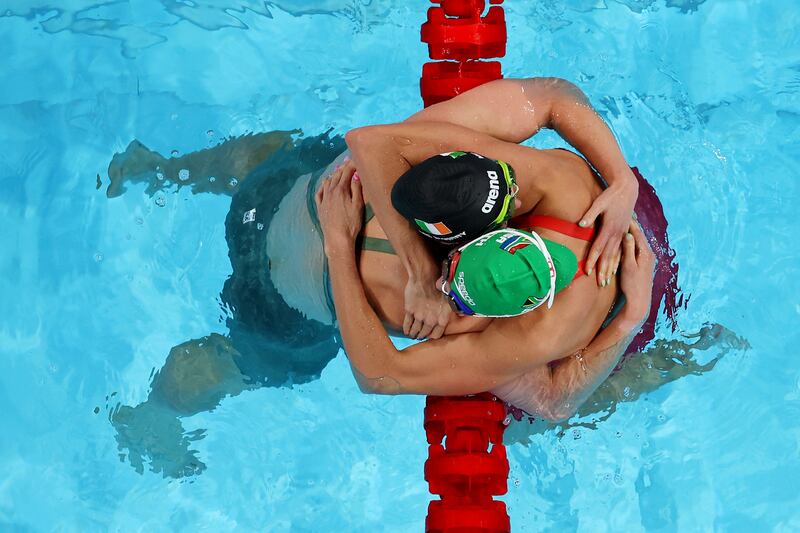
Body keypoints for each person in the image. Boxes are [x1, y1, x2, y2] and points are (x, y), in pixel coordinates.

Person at [105, 78, 733, 478]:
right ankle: (155, 410)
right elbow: (551, 400)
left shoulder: (454, 157)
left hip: (278, 201)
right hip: (288, 308)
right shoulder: (508, 313)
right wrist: (626, 316)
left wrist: (348, 233)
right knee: (237, 359)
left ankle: (158, 169)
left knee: (266, 157)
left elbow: (378, 140)